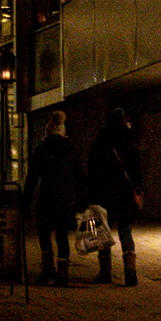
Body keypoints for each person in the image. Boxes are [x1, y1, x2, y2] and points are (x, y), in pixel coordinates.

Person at [86, 107, 143, 286]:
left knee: (103, 232)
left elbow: (91, 171)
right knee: (125, 231)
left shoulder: (99, 146)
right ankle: (130, 273)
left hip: (103, 195)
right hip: (125, 195)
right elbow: (138, 174)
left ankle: (105, 272)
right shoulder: (131, 147)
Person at [25, 110, 84, 287]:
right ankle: (63, 273)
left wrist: (26, 201)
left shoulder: (41, 150)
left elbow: (32, 177)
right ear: (63, 131)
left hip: (47, 196)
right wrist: (82, 201)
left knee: (44, 233)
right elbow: (81, 177)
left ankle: (48, 269)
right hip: (66, 198)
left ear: (48, 132)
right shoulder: (71, 150)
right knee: (62, 235)